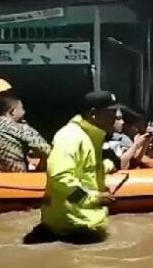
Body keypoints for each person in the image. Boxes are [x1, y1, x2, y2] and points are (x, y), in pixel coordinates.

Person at [26, 91, 122, 244]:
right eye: (111, 112)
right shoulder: (70, 137)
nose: (117, 117)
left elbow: (84, 169)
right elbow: (60, 178)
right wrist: (93, 198)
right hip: (72, 227)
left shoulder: (91, 136)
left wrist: (106, 166)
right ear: (93, 114)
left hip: (83, 223)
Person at [0, 95, 51, 172]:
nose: (24, 112)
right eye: (22, 108)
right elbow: (47, 150)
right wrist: (41, 163)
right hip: (17, 179)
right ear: (13, 111)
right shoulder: (21, 129)